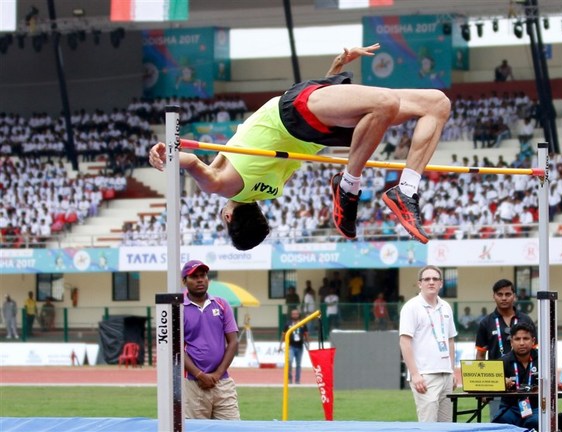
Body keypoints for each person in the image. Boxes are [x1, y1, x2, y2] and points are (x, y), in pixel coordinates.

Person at [149, 43, 450, 250]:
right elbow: (192, 164)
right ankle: (349, 186)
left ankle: (407, 189)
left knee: (437, 103)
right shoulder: (224, 186)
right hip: (293, 115)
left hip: (316, 128)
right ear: (228, 217)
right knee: (389, 103)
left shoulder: (275, 187)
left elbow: (209, 163)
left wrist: (336, 70)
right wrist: (167, 154)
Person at [181, 259, 240, 420]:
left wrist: (217, 374)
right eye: (194, 277)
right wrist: (200, 375)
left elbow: (233, 342)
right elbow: (176, 348)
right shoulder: (178, 308)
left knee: (233, 428)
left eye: (203, 275)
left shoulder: (221, 304)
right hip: (193, 384)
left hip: (222, 381)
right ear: (184, 281)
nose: (200, 280)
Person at [399, 265, 457, 423]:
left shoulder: (446, 307)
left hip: (446, 374)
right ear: (420, 283)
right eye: (427, 279)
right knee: (428, 425)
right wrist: (415, 374)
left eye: (435, 279)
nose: (431, 282)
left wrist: (451, 371)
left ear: (441, 283)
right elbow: (404, 342)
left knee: (446, 425)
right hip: (425, 376)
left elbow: (450, 340)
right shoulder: (411, 307)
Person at [475, 279, 536, 420]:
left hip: (526, 385)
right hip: (498, 384)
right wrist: (483, 388)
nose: (504, 298)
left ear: (514, 296)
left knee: (531, 424)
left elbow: (535, 352)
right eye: (499, 294)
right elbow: (480, 356)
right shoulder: (486, 322)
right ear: (494, 296)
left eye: (508, 294)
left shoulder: (525, 320)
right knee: (500, 424)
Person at [493, 322, 539, 429]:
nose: (522, 343)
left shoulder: (543, 360)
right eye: (517, 339)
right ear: (511, 342)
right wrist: (501, 384)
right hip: (510, 407)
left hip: (536, 407)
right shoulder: (502, 362)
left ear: (533, 341)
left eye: (526, 338)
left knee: (535, 422)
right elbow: (490, 387)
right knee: (500, 421)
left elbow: (552, 385)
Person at [279, 308, 309, 384]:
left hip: (300, 346)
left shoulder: (302, 323)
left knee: (298, 364)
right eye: (293, 314)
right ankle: (290, 378)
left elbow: (306, 334)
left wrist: (308, 343)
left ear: (299, 315)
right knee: (290, 361)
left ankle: (297, 380)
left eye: (296, 314)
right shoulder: (288, 324)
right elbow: (283, 335)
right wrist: (280, 345)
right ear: (291, 315)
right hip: (291, 346)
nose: (295, 315)